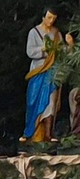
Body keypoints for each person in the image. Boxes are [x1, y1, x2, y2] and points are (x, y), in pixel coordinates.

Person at [21, 7, 74, 142]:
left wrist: (70, 44)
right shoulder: (34, 33)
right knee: (33, 101)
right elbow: (30, 52)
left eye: (53, 19)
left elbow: (63, 53)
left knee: (50, 103)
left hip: (52, 73)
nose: (51, 21)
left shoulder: (56, 34)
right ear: (43, 17)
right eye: (49, 17)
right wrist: (44, 49)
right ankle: (31, 133)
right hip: (38, 71)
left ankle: (48, 134)